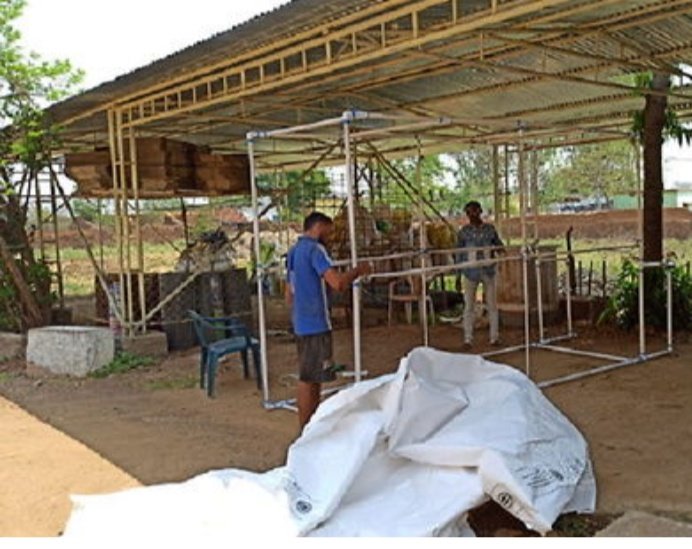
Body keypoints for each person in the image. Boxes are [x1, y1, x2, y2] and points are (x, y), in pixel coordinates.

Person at [286, 211, 371, 428]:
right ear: (318, 227)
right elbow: (338, 283)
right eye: (329, 232)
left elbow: (289, 293)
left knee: (312, 376)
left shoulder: (294, 251)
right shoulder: (315, 250)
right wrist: (358, 271)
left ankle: (310, 425)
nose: (331, 237)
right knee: (309, 379)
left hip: (301, 322)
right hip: (315, 324)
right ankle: (306, 428)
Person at [456, 201, 504, 349]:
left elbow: (499, 245)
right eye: (469, 212)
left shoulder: (490, 229)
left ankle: (494, 338)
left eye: (474, 211)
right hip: (470, 272)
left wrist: (499, 254)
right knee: (469, 306)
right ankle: (468, 339)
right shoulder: (463, 232)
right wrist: (458, 275)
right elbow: (458, 254)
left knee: (492, 305)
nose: (472, 215)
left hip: (488, 271)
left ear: (480, 211)